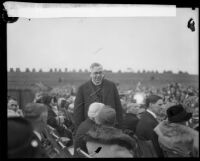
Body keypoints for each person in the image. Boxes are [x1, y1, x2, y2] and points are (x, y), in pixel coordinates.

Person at [74, 62, 123, 131]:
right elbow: (78, 112)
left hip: (109, 127)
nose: (98, 75)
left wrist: (120, 128)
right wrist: (79, 129)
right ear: (90, 74)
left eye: (100, 73)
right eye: (95, 73)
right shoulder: (82, 88)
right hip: (91, 129)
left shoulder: (111, 86)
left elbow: (118, 107)